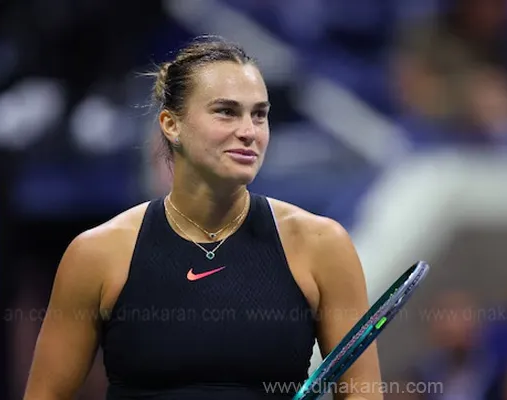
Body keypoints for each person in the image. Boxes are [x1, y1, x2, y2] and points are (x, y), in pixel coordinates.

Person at [23, 36, 382, 400]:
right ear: (171, 125)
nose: (249, 131)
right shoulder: (95, 254)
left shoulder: (323, 246)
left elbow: (362, 394)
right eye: (226, 111)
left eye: (259, 114)